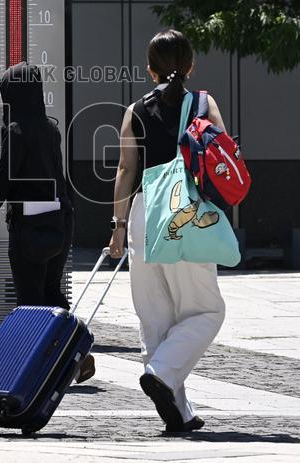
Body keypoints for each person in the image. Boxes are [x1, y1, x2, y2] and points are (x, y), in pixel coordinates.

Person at [108, 29, 225, 432]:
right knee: (207, 310)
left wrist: (118, 227)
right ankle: (159, 373)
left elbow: (126, 171)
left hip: (143, 215)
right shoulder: (203, 104)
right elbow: (221, 157)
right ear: (190, 66)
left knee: (155, 317)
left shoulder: (134, 110)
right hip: (187, 216)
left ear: (149, 69)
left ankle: (178, 411)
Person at [0, 63, 95, 383]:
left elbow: (3, 177)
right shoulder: (51, 128)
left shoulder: (15, 130)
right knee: (52, 293)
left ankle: (30, 368)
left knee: (29, 298)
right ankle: (74, 355)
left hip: (28, 222)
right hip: (61, 218)